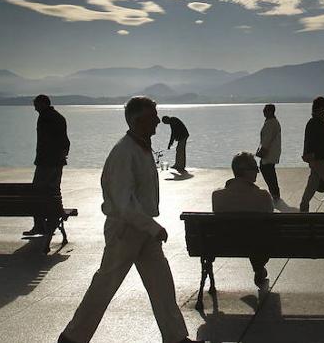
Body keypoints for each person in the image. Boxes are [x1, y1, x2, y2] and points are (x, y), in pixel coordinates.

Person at [59, 96, 202, 343]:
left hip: (142, 231)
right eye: (153, 115)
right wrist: (153, 227)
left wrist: (149, 227)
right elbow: (124, 203)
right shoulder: (125, 152)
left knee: (162, 286)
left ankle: (176, 337)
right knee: (104, 287)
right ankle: (72, 338)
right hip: (125, 231)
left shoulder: (140, 147)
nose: (158, 120)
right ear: (138, 120)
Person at [212, 151, 274, 285]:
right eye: (255, 169)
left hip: (225, 244)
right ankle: (258, 268)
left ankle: (258, 269)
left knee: (249, 231)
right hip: (257, 244)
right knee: (258, 233)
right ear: (245, 171)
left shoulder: (217, 196)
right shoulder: (263, 196)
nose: (258, 172)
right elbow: (271, 219)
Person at [24, 94, 70, 238]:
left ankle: (39, 225)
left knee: (37, 192)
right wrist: (63, 154)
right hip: (56, 161)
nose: (34, 107)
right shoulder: (59, 117)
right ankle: (51, 222)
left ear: (43, 104)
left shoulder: (45, 117)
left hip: (46, 162)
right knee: (53, 191)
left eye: (36, 104)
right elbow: (65, 141)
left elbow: (46, 142)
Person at [300, 96, 324, 213]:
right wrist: (310, 157)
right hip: (318, 159)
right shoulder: (314, 122)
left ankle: (304, 206)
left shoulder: (319, 120)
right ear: (320, 108)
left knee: (313, 184)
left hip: (320, 158)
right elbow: (309, 141)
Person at [256, 104, 282, 204]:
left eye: (265, 110)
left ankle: (274, 193)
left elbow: (267, 139)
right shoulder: (273, 122)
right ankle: (274, 192)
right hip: (271, 152)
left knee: (267, 170)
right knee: (269, 170)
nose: (263, 112)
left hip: (269, 153)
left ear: (270, 111)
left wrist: (262, 151)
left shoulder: (271, 123)